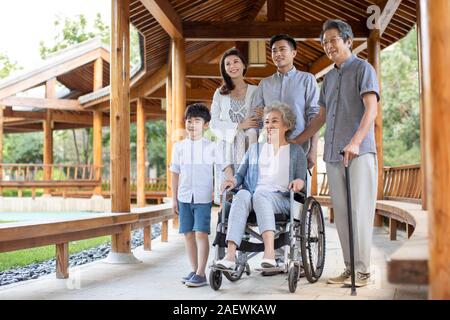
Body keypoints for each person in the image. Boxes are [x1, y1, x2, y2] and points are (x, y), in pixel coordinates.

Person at [294, 19, 380, 287]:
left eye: (333, 40)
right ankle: (349, 267)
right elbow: (320, 117)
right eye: (324, 42)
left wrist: (355, 142)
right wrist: (296, 140)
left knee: (360, 212)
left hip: (359, 153)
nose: (328, 46)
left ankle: (363, 270)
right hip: (332, 155)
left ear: (347, 41)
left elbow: (371, 109)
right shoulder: (328, 79)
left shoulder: (363, 69)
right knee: (341, 213)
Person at [214, 101, 307, 270]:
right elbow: (240, 175)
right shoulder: (255, 149)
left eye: (274, 121)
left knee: (260, 194)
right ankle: (230, 255)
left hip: (282, 199)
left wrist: (299, 182)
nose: (269, 125)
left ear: (286, 125)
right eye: (266, 122)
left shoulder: (296, 151)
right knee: (242, 194)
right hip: (254, 196)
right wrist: (232, 181)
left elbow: (301, 179)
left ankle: (270, 253)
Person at [170, 103, 232, 287]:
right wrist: (173, 198)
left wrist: (230, 180)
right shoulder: (178, 147)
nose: (192, 124)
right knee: (188, 234)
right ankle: (194, 270)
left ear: (205, 125)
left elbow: (225, 167)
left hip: (203, 198)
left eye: (197, 121)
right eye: (189, 121)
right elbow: (175, 172)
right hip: (183, 197)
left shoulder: (211, 147)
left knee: (201, 234)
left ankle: (201, 273)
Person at [251, 34, 320, 171]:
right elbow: (256, 120)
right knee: (270, 191)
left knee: (297, 190)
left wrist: (313, 150)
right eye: (274, 51)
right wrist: (254, 152)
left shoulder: (307, 80)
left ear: (293, 53)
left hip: (300, 150)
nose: (278, 54)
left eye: (282, 49)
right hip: (271, 150)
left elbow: (315, 116)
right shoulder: (264, 84)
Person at [210, 48, 259, 205]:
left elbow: (260, 121)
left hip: (248, 147)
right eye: (228, 64)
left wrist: (261, 117)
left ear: (244, 65)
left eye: (236, 61)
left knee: (247, 195)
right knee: (228, 197)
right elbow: (213, 123)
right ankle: (225, 228)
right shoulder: (220, 93)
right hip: (226, 150)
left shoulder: (256, 91)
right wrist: (239, 125)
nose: (232, 66)